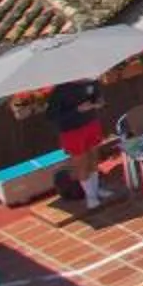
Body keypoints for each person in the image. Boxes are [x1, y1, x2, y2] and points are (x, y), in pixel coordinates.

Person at [49, 78, 112, 207]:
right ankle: (90, 197)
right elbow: (52, 116)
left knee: (94, 159)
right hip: (72, 131)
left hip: (91, 123)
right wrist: (77, 110)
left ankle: (96, 190)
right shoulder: (60, 90)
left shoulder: (91, 82)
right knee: (81, 163)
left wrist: (99, 102)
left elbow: (96, 97)